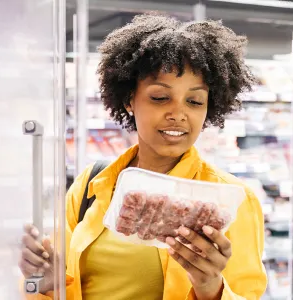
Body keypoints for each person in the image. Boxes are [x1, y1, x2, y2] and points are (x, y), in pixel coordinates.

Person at [19, 13, 267, 300]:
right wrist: (48, 284)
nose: (178, 114)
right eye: (160, 98)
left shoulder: (230, 199)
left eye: (195, 101)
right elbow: (62, 287)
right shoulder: (91, 185)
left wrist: (211, 287)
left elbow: (247, 293)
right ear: (129, 100)